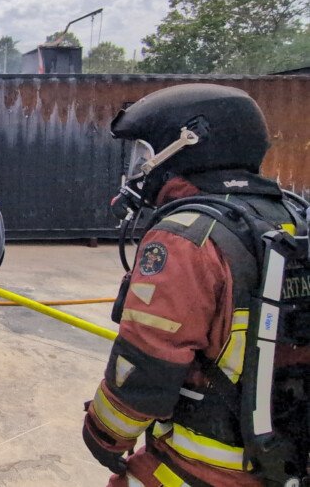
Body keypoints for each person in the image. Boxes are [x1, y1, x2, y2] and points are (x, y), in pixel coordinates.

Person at [83, 84, 310, 486]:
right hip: (287, 457)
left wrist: (104, 432)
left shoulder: (185, 238)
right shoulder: (291, 217)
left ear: (188, 144)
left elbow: (146, 366)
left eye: (145, 155)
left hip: (202, 465)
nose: (140, 169)